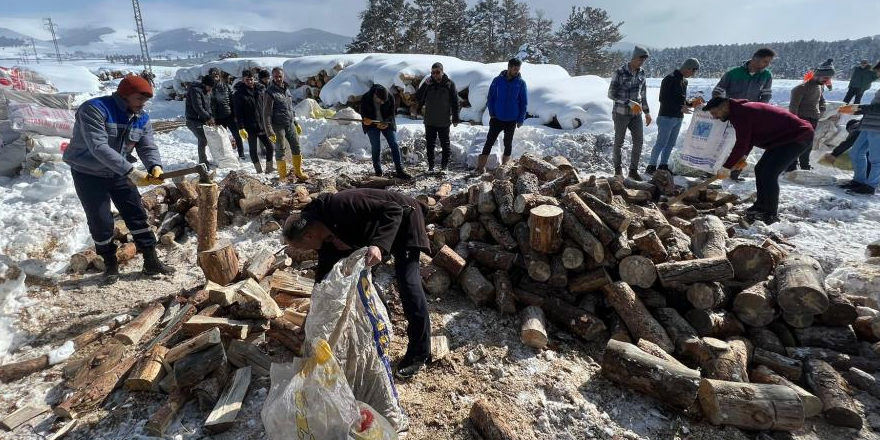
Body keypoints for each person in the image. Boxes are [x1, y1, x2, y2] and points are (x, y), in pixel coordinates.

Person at [282, 188, 431, 378]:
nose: (304, 252)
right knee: (362, 279)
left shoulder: (341, 206)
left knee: (408, 284)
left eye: (302, 248)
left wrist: (379, 244)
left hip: (405, 217)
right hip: (376, 230)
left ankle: (420, 353)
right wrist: (313, 315)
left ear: (309, 236)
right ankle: (383, 321)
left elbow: (394, 210)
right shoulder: (323, 234)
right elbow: (324, 278)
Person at [62, 76, 175, 285]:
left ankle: (151, 262)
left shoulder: (141, 117)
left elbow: (147, 145)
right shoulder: (94, 109)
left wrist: (154, 166)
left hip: (119, 172)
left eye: (146, 99)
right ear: (124, 94)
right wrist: (131, 171)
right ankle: (110, 265)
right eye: (139, 98)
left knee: (136, 214)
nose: (142, 103)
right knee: (100, 220)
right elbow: (98, 147)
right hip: (89, 173)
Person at [703, 97, 814, 224]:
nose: (714, 117)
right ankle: (761, 206)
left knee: (769, 174)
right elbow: (749, 137)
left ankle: (770, 214)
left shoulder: (741, 114)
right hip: (781, 140)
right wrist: (743, 157)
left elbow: (742, 143)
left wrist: (727, 167)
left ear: (724, 107)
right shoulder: (738, 111)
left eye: (714, 113)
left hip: (797, 136)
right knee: (760, 169)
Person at [712, 48, 777, 181]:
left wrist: (759, 110)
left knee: (746, 145)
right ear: (755, 58)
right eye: (765, 61)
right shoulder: (733, 73)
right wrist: (722, 107)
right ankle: (714, 169)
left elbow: (766, 95)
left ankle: (736, 171)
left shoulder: (766, 75)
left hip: (751, 117)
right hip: (732, 115)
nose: (767, 65)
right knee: (724, 143)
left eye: (769, 62)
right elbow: (717, 91)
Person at [646, 58, 701, 175]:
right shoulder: (669, 78)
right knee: (661, 143)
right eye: (693, 71)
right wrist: (680, 107)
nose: (693, 74)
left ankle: (663, 165)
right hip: (666, 116)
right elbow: (663, 99)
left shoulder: (684, 81)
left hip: (678, 117)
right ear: (688, 68)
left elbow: (680, 100)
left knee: (671, 143)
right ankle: (651, 166)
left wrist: (691, 103)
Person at [475, 58, 528, 175]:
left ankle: (504, 168)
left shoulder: (521, 83)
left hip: (511, 119)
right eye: (514, 69)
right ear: (509, 67)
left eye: (518, 69)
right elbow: (491, 98)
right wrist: (492, 113)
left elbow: (524, 102)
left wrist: (520, 119)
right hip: (497, 118)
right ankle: (481, 167)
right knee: (489, 141)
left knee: (508, 143)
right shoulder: (497, 81)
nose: (516, 71)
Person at [608, 47, 652, 180]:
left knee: (638, 141)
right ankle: (618, 170)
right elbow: (611, 94)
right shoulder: (620, 72)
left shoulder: (642, 73)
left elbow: (643, 95)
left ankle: (633, 171)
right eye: (640, 59)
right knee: (619, 142)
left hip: (636, 115)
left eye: (644, 60)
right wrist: (628, 102)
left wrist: (647, 113)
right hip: (620, 113)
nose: (642, 62)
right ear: (633, 57)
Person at [787, 59, 834, 171]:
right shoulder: (800, 89)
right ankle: (791, 165)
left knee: (808, 145)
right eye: (825, 78)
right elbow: (793, 107)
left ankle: (804, 165)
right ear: (818, 75)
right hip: (800, 119)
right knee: (796, 143)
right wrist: (794, 121)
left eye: (828, 79)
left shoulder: (819, 86)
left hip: (813, 119)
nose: (827, 81)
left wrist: (822, 108)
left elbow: (821, 99)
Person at [414, 62, 460, 173]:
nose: (435, 75)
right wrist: (425, 85)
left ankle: (444, 167)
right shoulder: (428, 84)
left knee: (445, 144)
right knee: (430, 145)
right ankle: (431, 167)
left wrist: (455, 118)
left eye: (437, 72)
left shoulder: (450, 84)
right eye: (432, 72)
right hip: (430, 120)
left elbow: (455, 102)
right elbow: (418, 97)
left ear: (442, 71)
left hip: (443, 120)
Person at [264, 67, 308, 181]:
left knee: (296, 146)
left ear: (283, 76)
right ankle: (282, 176)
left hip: (289, 123)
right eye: (275, 76)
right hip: (278, 126)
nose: (278, 78)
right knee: (280, 150)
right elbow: (266, 113)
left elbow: (290, 108)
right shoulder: (270, 92)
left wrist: (296, 122)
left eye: (280, 76)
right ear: (272, 77)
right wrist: (269, 131)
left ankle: (298, 171)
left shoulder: (287, 89)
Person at [360, 84, 411, 179]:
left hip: (386, 122)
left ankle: (400, 170)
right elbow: (363, 114)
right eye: (381, 100)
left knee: (394, 144)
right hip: (371, 124)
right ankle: (378, 171)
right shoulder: (366, 98)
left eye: (384, 100)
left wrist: (386, 123)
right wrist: (366, 120)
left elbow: (392, 114)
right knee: (376, 146)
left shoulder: (390, 97)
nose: (383, 102)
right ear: (375, 95)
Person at [839, 79, 880, 195]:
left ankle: (871, 186)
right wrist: (856, 110)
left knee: (876, 159)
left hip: (878, 127)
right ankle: (858, 181)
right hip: (868, 124)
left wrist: (859, 108)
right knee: (856, 152)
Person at [233, 69, 275, 173]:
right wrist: (241, 128)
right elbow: (238, 112)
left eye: (251, 79)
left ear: (254, 79)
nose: (250, 82)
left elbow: (265, 107)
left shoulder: (260, 90)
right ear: (243, 80)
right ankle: (258, 170)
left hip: (261, 124)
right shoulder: (239, 94)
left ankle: (269, 167)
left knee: (270, 147)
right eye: (247, 80)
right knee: (253, 149)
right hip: (249, 126)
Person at [208, 67, 244, 159]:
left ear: (219, 75)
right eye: (213, 75)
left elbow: (233, 101)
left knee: (237, 136)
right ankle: (226, 156)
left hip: (229, 116)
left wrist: (235, 114)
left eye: (216, 74)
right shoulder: (209, 89)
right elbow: (208, 105)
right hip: (217, 118)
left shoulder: (226, 86)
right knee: (221, 138)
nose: (215, 76)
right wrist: (211, 117)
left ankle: (241, 154)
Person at [185, 75, 215, 167]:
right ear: (204, 84)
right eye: (209, 87)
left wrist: (210, 116)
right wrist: (208, 117)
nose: (210, 89)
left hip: (201, 119)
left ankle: (204, 160)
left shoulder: (206, 91)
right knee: (202, 139)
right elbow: (198, 107)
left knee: (204, 139)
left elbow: (208, 106)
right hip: (193, 119)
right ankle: (203, 161)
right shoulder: (195, 90)